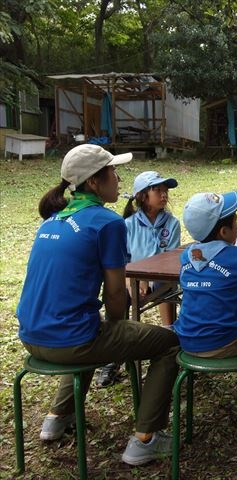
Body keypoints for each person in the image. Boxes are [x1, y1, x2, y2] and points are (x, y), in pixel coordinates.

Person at [15, 144, 180, 466]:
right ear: (94, 182)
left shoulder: (52, 219)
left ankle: (56, 418)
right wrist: (118, 324)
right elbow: (117, 294)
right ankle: (145, 439)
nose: (118, 179)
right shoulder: (107, 223)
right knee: (170, 344)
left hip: (31, 337)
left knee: (91, 331)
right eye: (113, 172)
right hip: (71, 341)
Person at [174, 191, 237, 411]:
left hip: (186, 339)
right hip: (221, 340)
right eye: (236, 221)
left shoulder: (187, 255)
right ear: (224, 231)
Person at [95, 170, 181, 388]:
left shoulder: (172, 224)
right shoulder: (127, 225)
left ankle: (170, 337)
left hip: (161, 277)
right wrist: (129, 279)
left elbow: (170, 258)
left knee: (169, 289)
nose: (164, 195)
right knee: (117, 297)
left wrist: (146, 277)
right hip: (130, 277)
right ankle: (111, 359)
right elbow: (121, 261)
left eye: (165, 191)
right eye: (158, 190)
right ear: (143, 196)